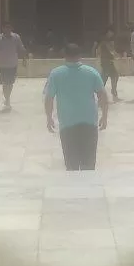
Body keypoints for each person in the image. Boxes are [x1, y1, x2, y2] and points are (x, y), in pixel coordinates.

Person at [44, 43, 109, 171]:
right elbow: (103, 96)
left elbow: (49, 98)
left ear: (64, 55)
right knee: (88, 164)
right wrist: (104, 117)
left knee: (71, 165)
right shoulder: (91, 72)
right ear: (80, 56)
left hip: (67, 125)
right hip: (89, 123)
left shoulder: (56, 74)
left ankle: (74, 189)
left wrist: (49, 117)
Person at [0, 21, 28, 110]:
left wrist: (24, 59)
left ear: (11, 28)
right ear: (3, 28)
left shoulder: (16, 37)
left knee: (10, 83)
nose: (7, 29)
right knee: (4, 83)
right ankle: (7, 98)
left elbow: (21, 48)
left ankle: (7, 98)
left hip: (12, 64)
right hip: (2, 64)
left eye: (9, 27)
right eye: (6, 27)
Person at [93, 27, 121, 102]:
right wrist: (116, 55)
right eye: (111, 32)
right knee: (105, 79)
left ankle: (113, 94)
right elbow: (110, 49)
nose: (111, 34)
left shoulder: (106, 39)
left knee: (113, 76)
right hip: (106, 61)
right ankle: (103, 96)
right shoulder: (105, 40)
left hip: (108, 61)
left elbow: (98, 49)